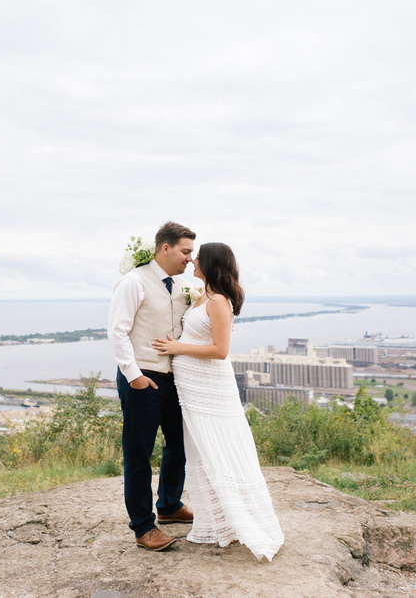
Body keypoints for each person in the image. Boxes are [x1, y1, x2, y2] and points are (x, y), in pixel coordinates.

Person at [152, 242, 284, 561]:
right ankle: (215, 521)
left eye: (198, 257)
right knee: (201, 449)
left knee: (220, 447)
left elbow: (220, 350)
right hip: (193, 389)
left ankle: (237, 521)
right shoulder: (203, 297)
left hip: (211, 389)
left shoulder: (219, 302)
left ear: (210, 264)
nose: (192, 260)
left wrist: (179, 349)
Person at [107, 221, 197, 551]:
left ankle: (170, 505)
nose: (190, 258)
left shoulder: (183, 285)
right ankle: (143, 527)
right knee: (138, 455)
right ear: (165, 248)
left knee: (180, 444)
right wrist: (135, 376)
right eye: (185, 251)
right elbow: (117, 331)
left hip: (174, 380)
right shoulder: (133, 282)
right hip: (142, 379)